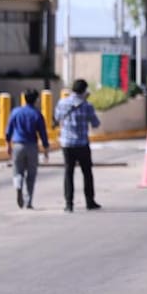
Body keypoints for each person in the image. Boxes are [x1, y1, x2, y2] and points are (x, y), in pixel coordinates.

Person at [54, 79, 102, 213]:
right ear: (84, 90)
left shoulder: (62, 103)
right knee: (87, 173)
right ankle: (90, 201)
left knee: (68, 173)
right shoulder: (87, 105)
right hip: (82, 144)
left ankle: (69, 204)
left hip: (67, 144)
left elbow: (57, 118)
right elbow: (96, 124)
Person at [5, 89, 50, 209]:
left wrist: (8, 145)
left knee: (17, 171)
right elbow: (43, 133)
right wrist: (45, 149)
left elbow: (8, 130)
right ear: (36, 100)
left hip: (18, 144)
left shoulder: (16, 112)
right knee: (31, 174)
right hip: (31, 146)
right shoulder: (37, 114)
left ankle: (18, 185)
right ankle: (28, 200)